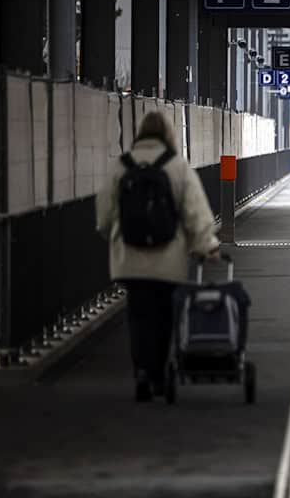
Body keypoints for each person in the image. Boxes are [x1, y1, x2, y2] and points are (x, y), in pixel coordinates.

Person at [95, 112, 220, 402]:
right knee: (164, 315)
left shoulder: (120, 165)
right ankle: (158, 375)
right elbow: (195, 213)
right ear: (168, 134)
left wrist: (114, 238)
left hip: (130, 258)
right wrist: (207, 246)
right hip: (168, 258)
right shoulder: (177, 166)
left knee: (138, 315)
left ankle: (140, 369)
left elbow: (103, 216)